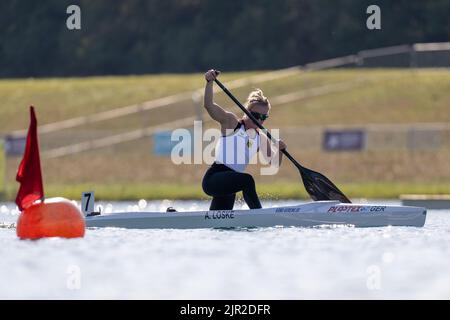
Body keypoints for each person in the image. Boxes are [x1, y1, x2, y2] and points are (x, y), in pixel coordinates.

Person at [202, 69, 287, 210]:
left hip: (231, 184)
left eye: (264, 117)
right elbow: (209, 105)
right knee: (247, 180)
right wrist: (209, 82)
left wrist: (280, 150)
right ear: (247, 111)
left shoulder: (261, 138)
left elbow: (274, 163)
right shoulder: (231, 123)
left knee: (221, 225)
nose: (260, 119)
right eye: (256, 115)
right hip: (214, 178)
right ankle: (259, 215)